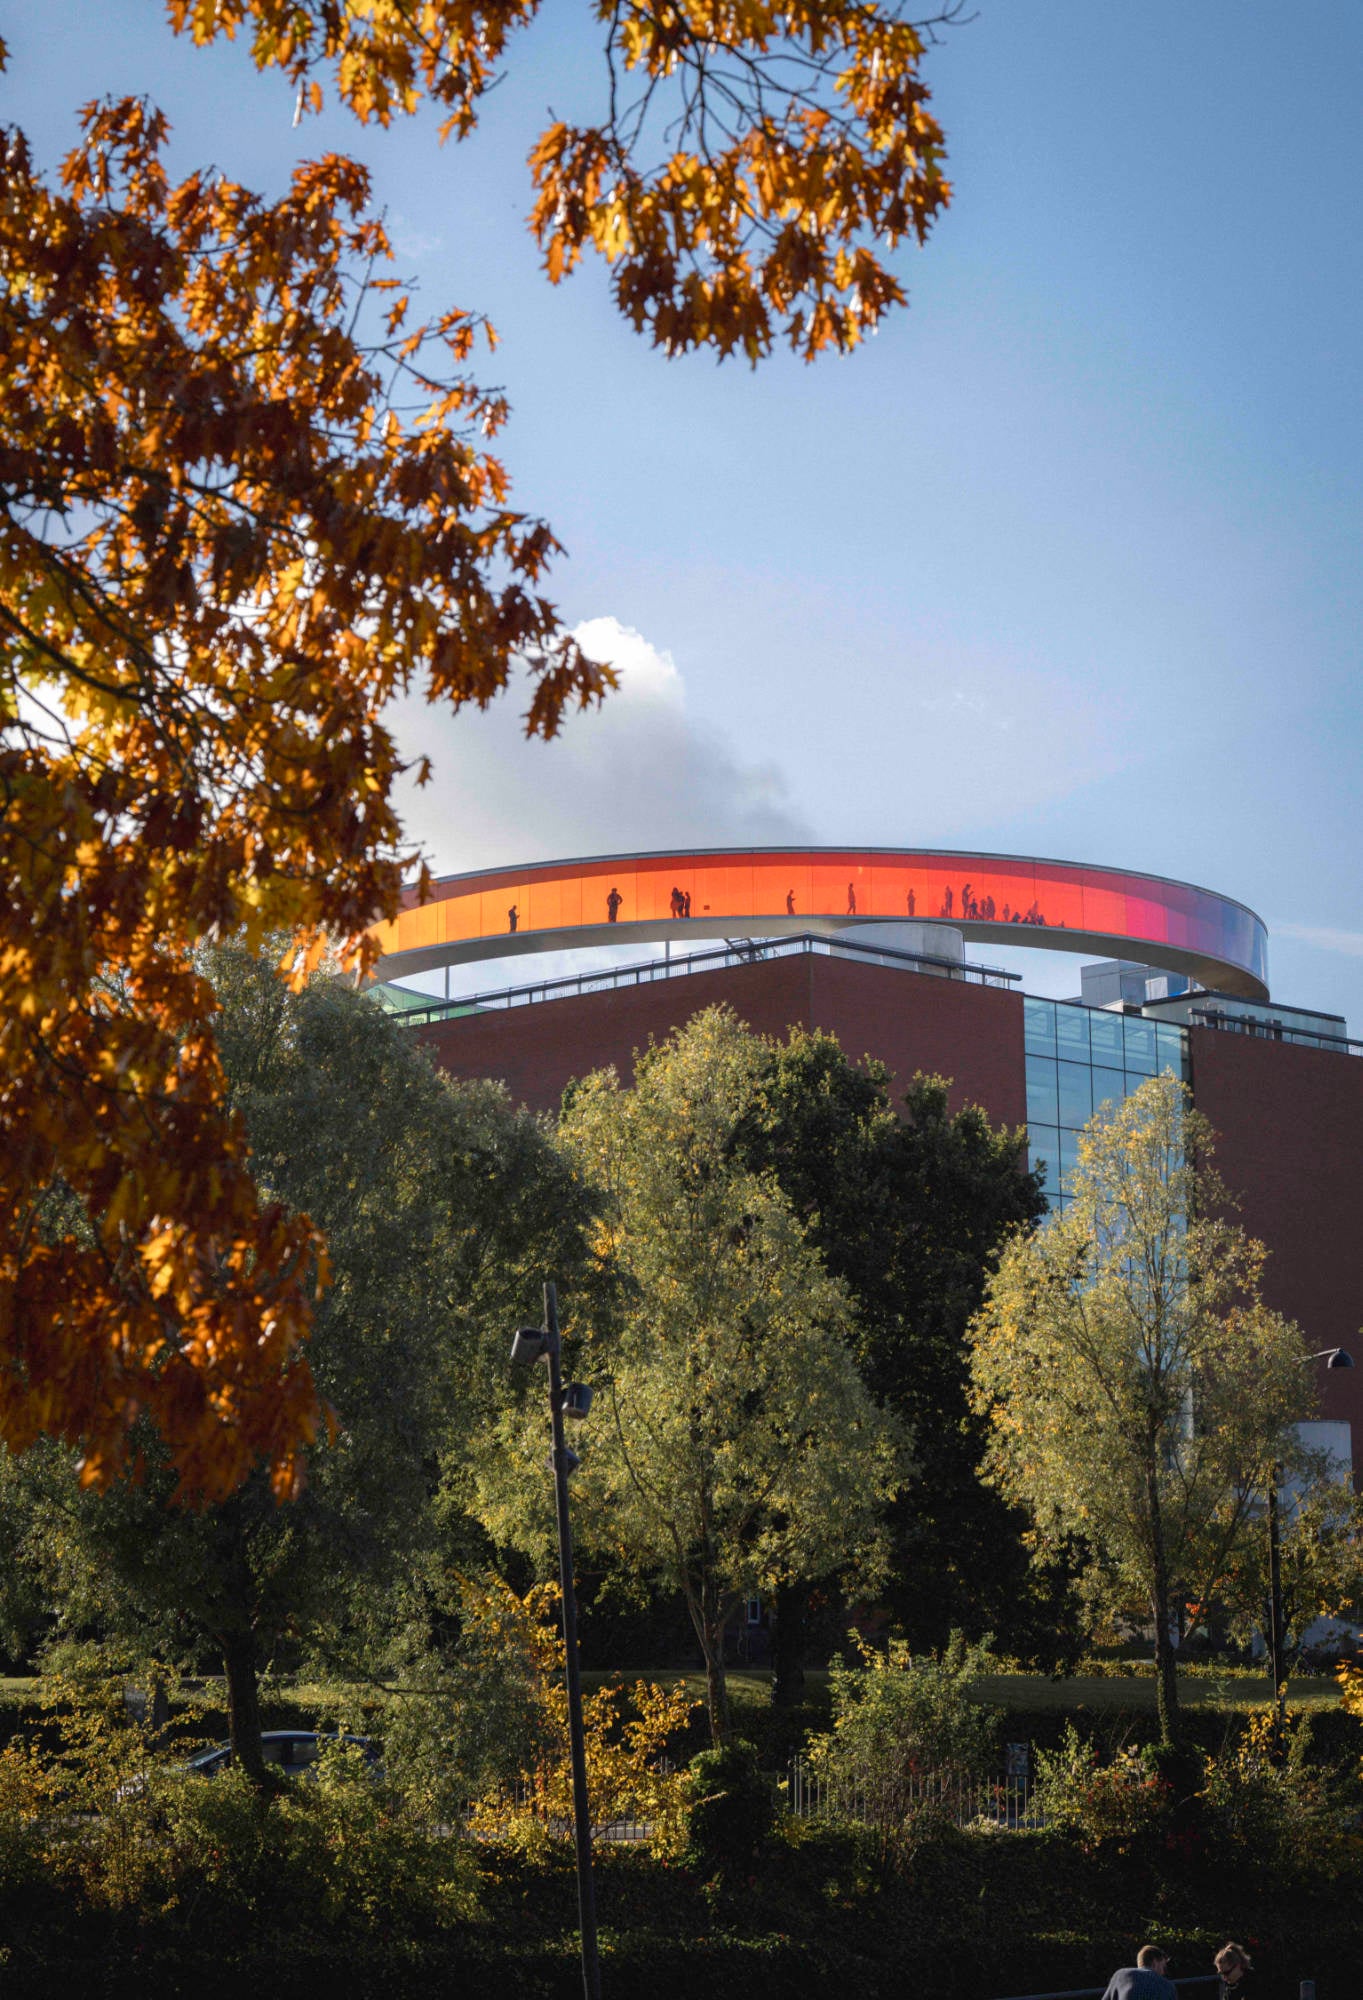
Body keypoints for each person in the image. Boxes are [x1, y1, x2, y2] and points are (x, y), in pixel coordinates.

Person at [1101, 1945, 1176, 2000]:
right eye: (1163, 1966)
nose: (1163, 1972)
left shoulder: (1120, 1975)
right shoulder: (1167, 1985)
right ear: (1155, 1962)